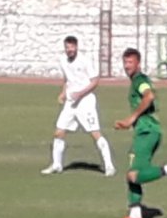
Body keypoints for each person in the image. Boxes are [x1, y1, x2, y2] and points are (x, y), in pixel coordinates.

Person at [114, 48, 167, 218]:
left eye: (130, 62)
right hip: (146, 131)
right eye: (125, 62)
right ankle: (135, 215)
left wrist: (132, 117)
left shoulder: (140, 80)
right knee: (133, 172)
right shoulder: (137, 81)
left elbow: (149, 96)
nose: (127, 66)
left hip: (147, 131)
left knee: (133, 175)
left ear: (138, 63)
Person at [42, 36, 115, 176]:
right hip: (71, 102)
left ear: (76, 47)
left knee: (95, 133)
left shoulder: (85, 61)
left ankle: (109, 166)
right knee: (59, 132)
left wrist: (80, 94)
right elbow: (67, 79)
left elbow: (95, 81)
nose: (69, 50)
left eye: (71, 47)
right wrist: (63, 93)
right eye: (67, 47)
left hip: (85, 102)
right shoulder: (63, 60)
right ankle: (57, 165)